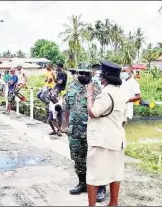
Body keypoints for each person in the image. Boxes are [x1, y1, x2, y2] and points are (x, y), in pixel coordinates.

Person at [86, 60, 127, 206]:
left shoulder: (106, 94)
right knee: (115, 173)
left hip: (101, 140)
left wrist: (89, 95)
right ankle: (113, 203)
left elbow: (93, 112)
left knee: (93, 175)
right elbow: (124, 117)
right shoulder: (122, 93)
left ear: (104, 78)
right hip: (117, 139)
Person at [65, 68, 105, 202]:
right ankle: (82, 183)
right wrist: (66, 125)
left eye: (86, 73)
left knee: (96, 159)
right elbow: (67, 107)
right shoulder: (71, 86)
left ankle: (100, 188)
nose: (82, 75)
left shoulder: (97, 88)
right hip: (75, 130)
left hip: (91, 131)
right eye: (80, 73)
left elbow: (101, 110)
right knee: (78, 159)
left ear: (91, 74)